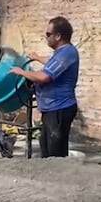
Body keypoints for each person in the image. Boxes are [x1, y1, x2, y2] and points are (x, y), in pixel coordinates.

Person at [10, 16, 79, 158]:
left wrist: (22, 72)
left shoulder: (66, 53)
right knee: (46, 147)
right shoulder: (62, 53)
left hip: (59, 108)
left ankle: (58, 177)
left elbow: (44, 77)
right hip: (52, 108)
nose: (45, 37)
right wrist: (37, 57)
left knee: (55, 151)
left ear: (58, 36)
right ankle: (52, 175)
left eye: (48, 34)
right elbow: (53, 62)